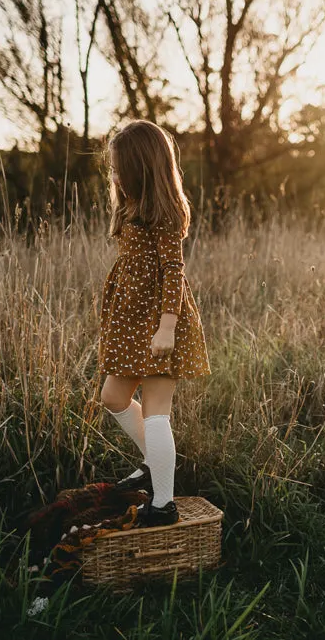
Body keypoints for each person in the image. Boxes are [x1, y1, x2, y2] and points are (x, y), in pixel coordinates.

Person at [96, 120, 211, 528]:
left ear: (140, 168)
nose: (112, 176)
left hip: (162, 320)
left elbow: (173, 270)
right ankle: (153, 464)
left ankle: (163, 503)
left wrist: (167, 326)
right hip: (131, 323)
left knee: (158, 410)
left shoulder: (162, 213)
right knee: (113, 397)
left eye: (117, 169)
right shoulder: (131, 207)